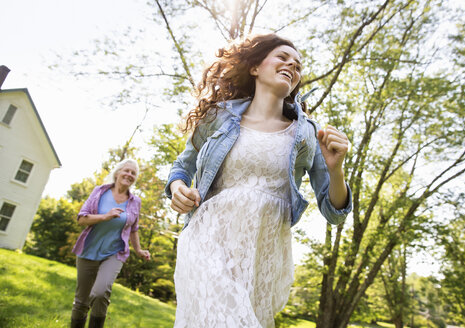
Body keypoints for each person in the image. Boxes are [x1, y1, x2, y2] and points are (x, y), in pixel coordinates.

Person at [165, 34, 352, 327]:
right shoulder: (219, 117)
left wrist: (336, 169)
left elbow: (334, 211)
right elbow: (181, 167)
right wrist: (178, 189)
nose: (292, 65)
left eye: (298, 65)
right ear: (254, 68)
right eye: (282, 57)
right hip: (208, 239)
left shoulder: (307, 134)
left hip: (263, 254)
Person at [70, 159, 150, 328]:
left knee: (100, 293)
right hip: (88, 250)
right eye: (126, 171)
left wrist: (139, 250)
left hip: (114, 253)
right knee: (81, 302)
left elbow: (134, 228)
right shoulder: (100, 192)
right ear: (117, 173)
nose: (129, 175)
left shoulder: (135, 201)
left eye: (133, 173)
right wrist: (105, 216)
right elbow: (82, 219)